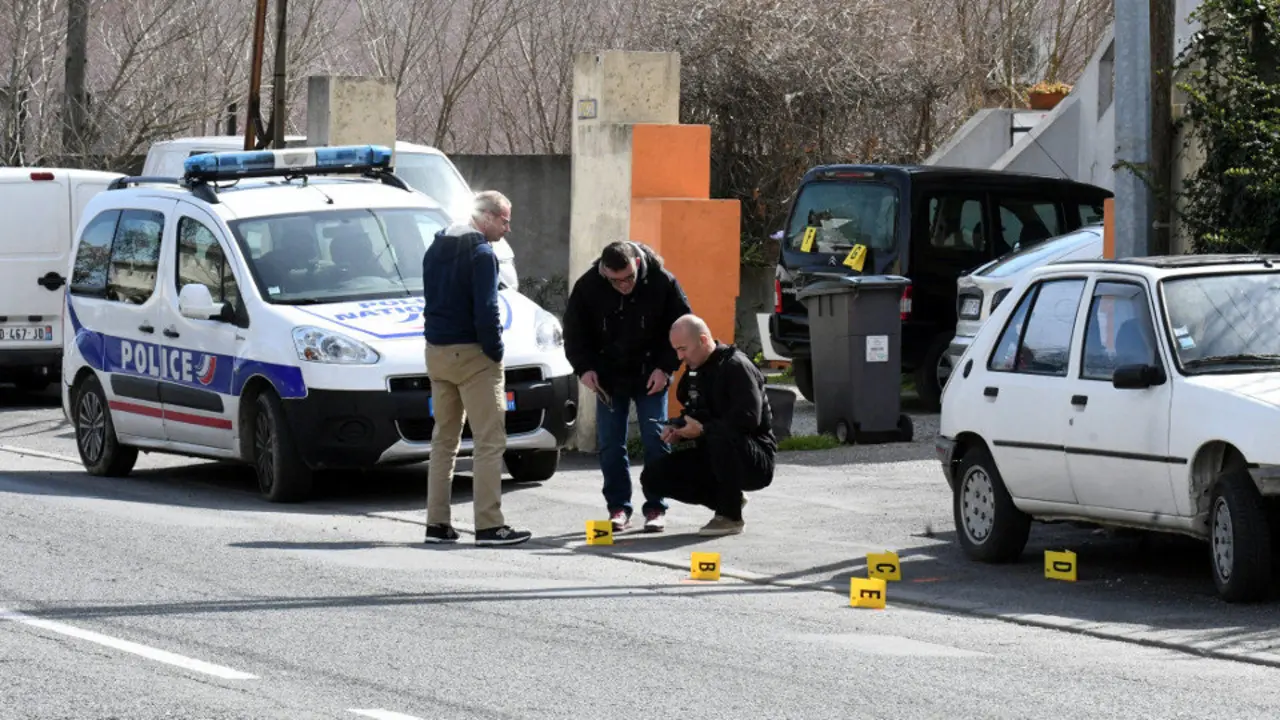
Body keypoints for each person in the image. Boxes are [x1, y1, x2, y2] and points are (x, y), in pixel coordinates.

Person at [420, 190, 531, 547]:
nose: (507, 228)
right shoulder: (482, 254)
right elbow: (487, 310)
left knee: (444, 441)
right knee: (489, 440)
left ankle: (437, 524)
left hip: (436, 351)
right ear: (484, 216)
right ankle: (488, 525)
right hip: (473, 355)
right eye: (504, 219)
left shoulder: (436, 247)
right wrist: (495, 352)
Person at [562, 240, 693, 532]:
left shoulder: (662, 281)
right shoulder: (589, 286)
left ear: (636, 263)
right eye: (615, 281)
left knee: (655, 440)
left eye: (629, 278)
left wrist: (665, 367)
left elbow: (683, 326)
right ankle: (618, 507)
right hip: (608, 377)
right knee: (610, 444)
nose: (623, 286)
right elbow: (574, 333)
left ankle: (656, 507)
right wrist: (584, 369)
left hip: (651, 374)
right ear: (604, 271)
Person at [639, 314, 776, 536]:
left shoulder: (736, 366)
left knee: (719, 435)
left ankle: (730, 517)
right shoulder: (694, 371)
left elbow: (748, 420)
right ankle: (729, 499)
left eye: (683, 349)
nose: (679, 356)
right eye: (676, 350)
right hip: (714, 453)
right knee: (653, 477)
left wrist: (703, 429)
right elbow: (694, 412)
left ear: (703, 340)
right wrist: (679, 429)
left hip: (754, 458)